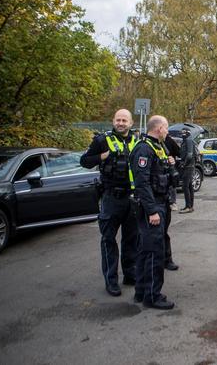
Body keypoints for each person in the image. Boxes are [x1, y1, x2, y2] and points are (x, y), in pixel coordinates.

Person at [80, 109, 139, 297]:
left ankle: (130, 274)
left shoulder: (137, 141)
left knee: (131, 239)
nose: (121, 123)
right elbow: (84, 161)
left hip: (132, 199)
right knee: (108, 240)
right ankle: (111, 280)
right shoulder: (101, 141)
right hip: (111, 198)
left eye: (124, 120)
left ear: (131, 123)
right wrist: (102, 157)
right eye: (118, 120)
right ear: (113, 121)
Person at [129, 115, 176, 310]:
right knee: (153, 252)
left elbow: (162, 174)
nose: (167, 132)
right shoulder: (144, 148)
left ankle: (141, 291)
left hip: (160, 203)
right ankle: (152, 295)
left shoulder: (158, 147)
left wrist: (171, 164)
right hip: (152, 207)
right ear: (158, 128)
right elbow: (142, 183)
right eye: (166, 128)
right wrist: (152, 211)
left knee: (146, 249)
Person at [161, 133, 180, 271]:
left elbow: (180, 153)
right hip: (151, 198)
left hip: (164, 195)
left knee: (164, 232)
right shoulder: (145, 146)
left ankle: (167, 259)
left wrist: (173, 161)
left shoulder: (167, 143)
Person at [179, 128, 196, 213]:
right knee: (189, 186)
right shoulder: (187, 140)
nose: (182, 134)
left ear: (188, 133)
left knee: (185, 186)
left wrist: (183, 164)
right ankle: (190, 206)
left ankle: (188, 207)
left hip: (188, 166)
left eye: (184, 132)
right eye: (181, 132)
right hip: (189, 165)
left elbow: (189, 154)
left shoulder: (188, 140)